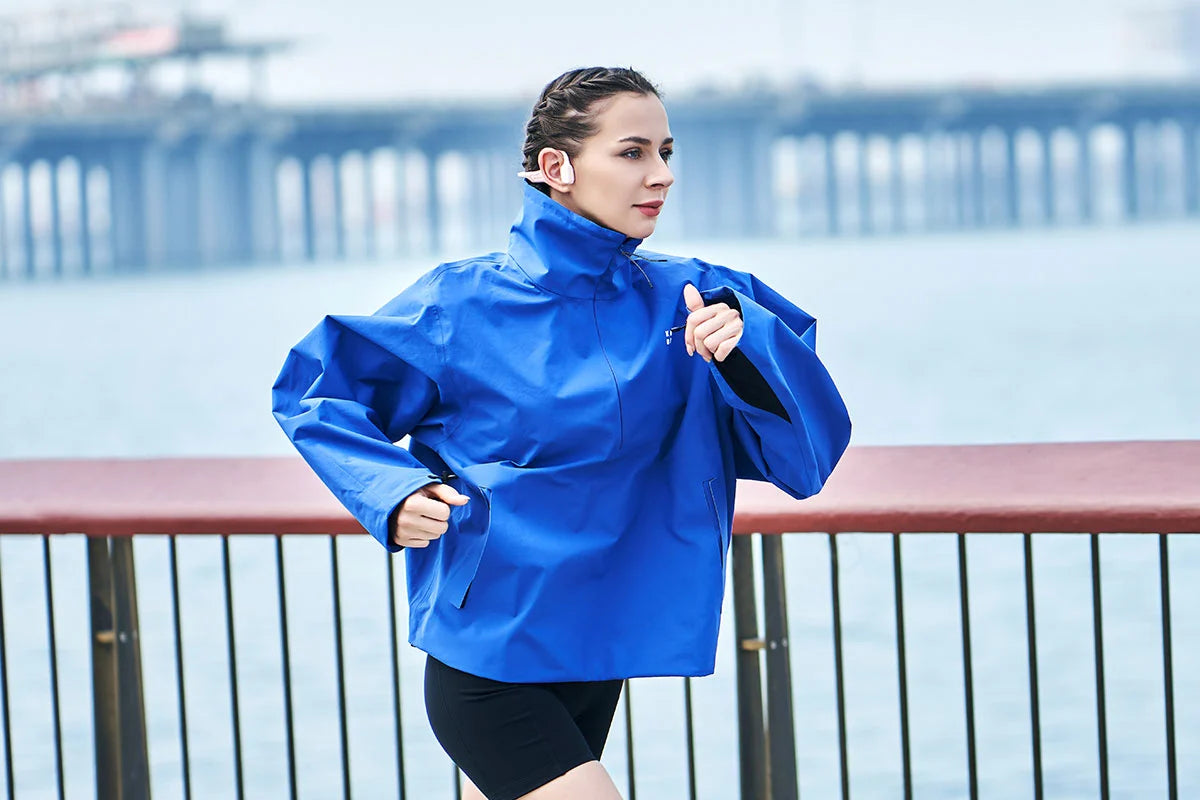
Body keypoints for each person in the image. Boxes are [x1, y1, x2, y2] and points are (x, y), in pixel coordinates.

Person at [271, 66, 851, 800]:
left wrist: (748, 349)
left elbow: (804, 462)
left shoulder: (698, 296)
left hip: (595, 651)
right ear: (558, 167)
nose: (661, 175)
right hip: (490, 658)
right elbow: (314, 389)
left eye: (667, 152)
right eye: (633, 152)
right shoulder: (461, 304)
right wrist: (391, 489)